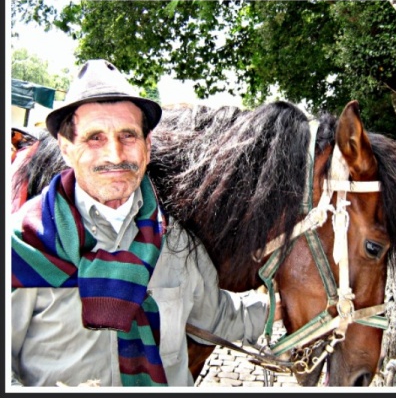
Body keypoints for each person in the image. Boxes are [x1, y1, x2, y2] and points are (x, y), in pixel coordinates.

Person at [11, 59, 278, 387]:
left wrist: (282, 304)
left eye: (128, 135)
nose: (115, 153)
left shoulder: (177, 244)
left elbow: (219, 316)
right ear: (67, 149)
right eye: (95, 137)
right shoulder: (20, 247)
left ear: (147, 147)